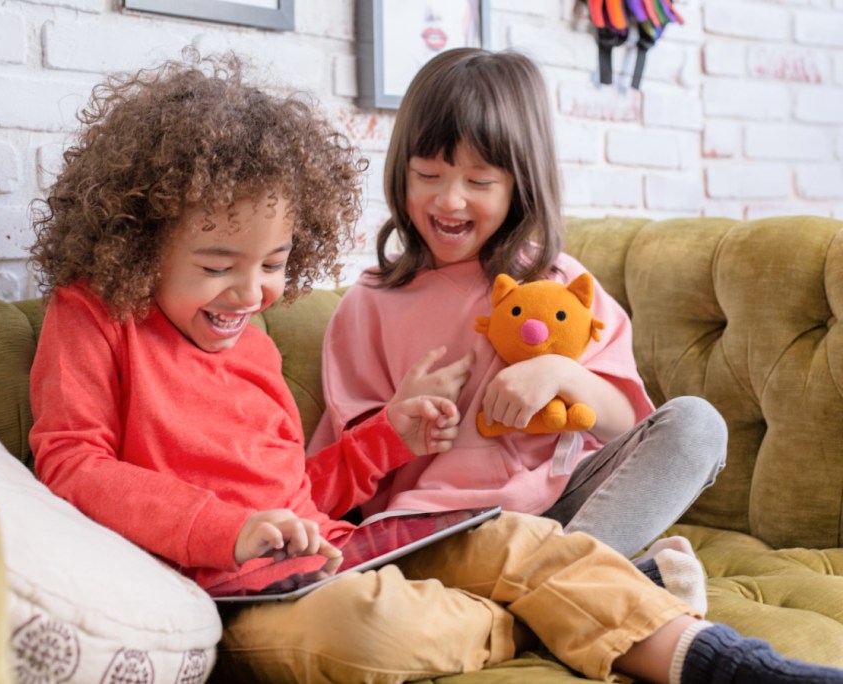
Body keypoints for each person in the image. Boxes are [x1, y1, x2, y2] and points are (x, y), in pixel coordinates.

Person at [26, 49, 843, 684]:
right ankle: (571, 608)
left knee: (527, 546)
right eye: (217, 265)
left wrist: (395, 432)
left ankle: (728, 663)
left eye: (274, 263)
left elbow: (307, 490)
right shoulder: (96, 315)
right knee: (373, 626)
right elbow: (72, 460)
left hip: (368, 542)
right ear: (139, 242)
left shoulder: (249, 333)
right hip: (255, 582)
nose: (254, 291)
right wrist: (227, 529)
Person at [309, 47, 727, 571]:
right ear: (402, 173)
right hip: (441, 526)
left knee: (698, 424)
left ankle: (564, 584)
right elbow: (339, 482)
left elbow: (626, 425)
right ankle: (593, 587)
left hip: (565, 509)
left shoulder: (562, 284)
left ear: (519, 186)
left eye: (479, 182)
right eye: (427, 175)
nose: (449, 201)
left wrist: (560, 374)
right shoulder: (369, 304)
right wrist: (398, 423)